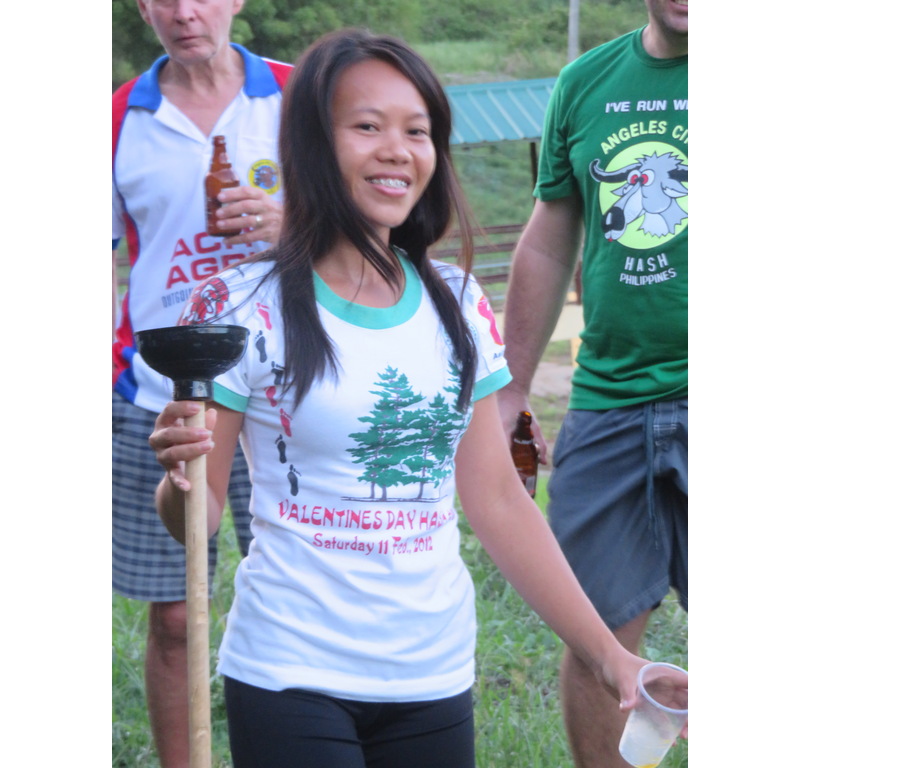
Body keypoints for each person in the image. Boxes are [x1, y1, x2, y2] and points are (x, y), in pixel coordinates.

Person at [146, 28, 675, 768]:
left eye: (417, 131)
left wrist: (610, 658)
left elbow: (497, 499)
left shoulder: (457, 302)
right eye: (367, 126)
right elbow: (196, 517)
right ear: (312, 144)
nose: (397, 150)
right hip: (290, 671)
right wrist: (180, 478)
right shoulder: (242, 305)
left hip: (434, 673)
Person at [496, 1, 688, 766]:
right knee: (595, 638)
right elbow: (548, 242)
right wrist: (511, 388)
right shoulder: (584, 83)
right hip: (608, 401)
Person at [111, 1, 290, 764]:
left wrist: (291, 224)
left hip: (286, 392)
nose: (186, 13)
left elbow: (378, 215)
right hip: (162, 396)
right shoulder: (116, 118)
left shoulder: (302, 93)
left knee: (288, 601)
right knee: (177, 617)